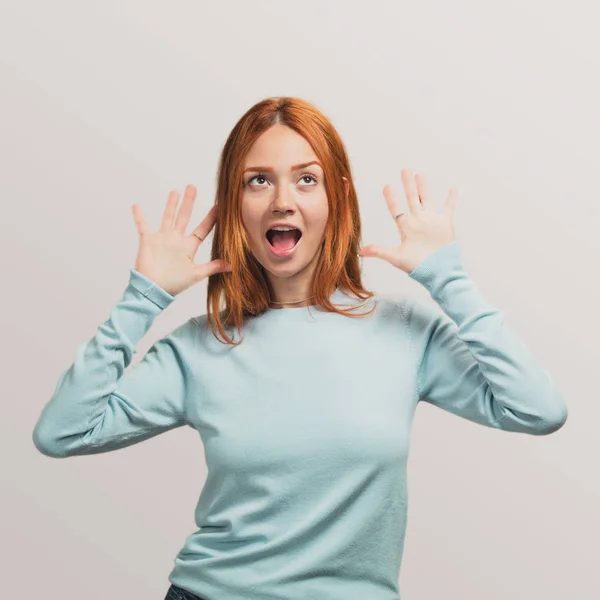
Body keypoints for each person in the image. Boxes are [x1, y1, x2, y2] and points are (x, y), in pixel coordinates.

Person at [32, 96, 568, 600]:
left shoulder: (406, 332)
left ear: (334, 197)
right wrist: (141, 299)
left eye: (305, 180)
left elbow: (538, 410)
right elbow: (62, 432)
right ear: (235, 204)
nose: (282, 201)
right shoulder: (198, 347)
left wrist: (449, 279)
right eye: (258, 180)